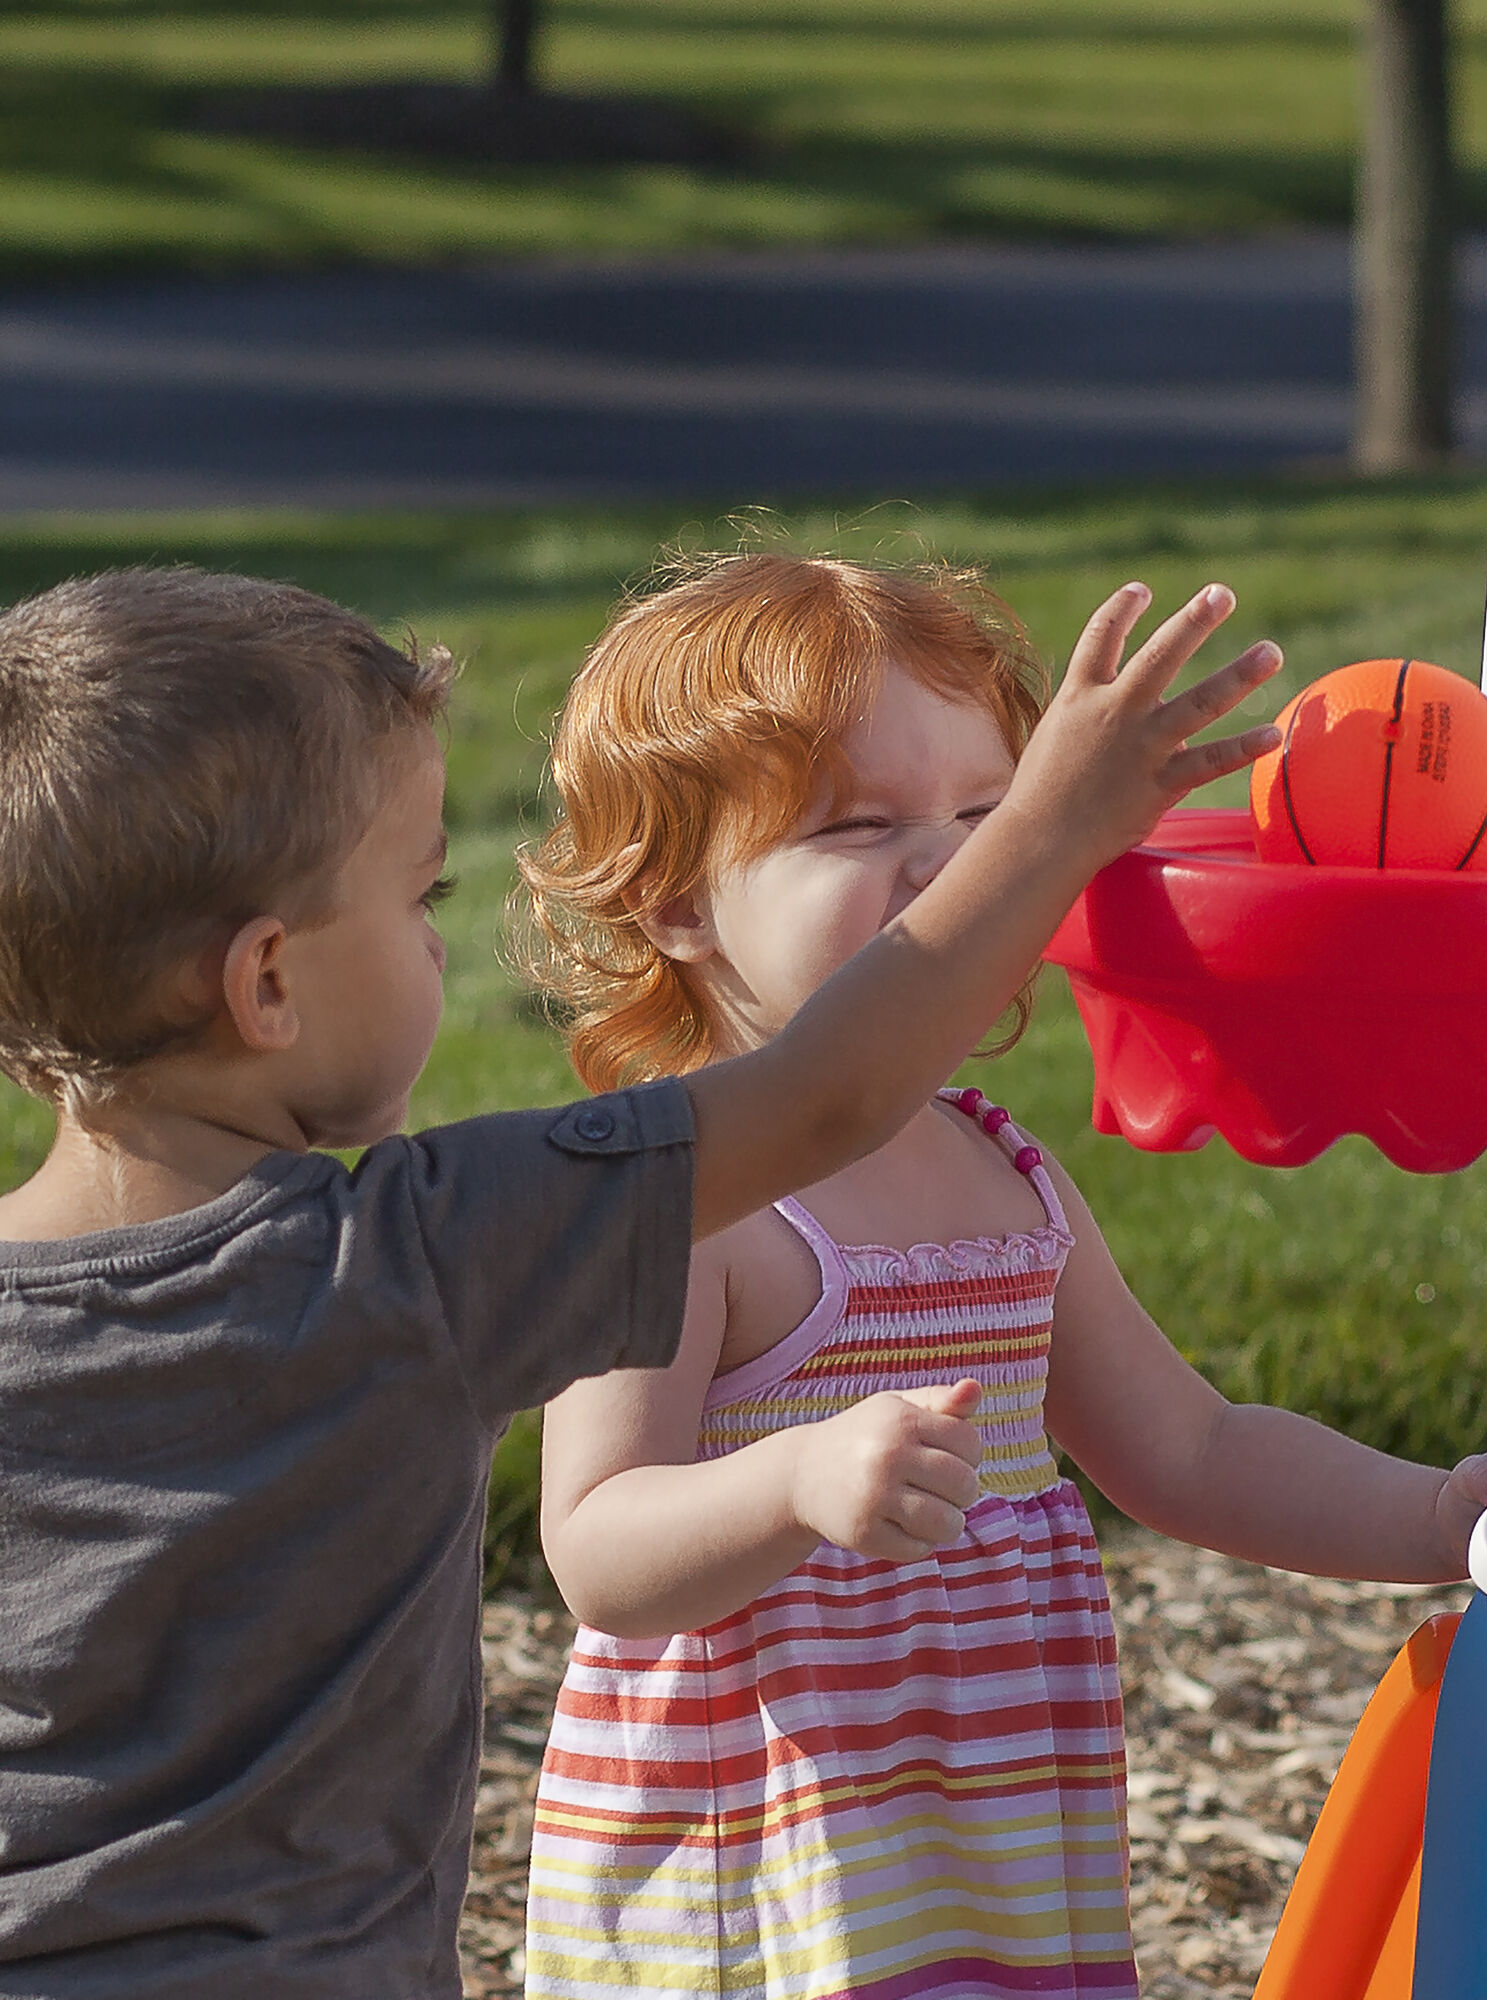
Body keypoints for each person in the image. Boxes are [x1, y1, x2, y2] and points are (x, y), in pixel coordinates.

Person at [0, 563, 1277, 2000]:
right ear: (269, 987)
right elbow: (823, 1097)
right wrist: (1047, 829)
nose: (436, 940)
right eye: (419, 897)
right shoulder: (429, 1259)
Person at [516, 551, 1487, 2000]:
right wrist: (792, 1485)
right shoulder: (688, 1203)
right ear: (672, 904)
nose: (957, 866)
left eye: (990, 817)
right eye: (859, 826)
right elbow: (596, 1546)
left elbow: (1195, 1448)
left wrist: (1433, 1517)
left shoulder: (999, 1174)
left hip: (980, 1851)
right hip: (758, 1890)